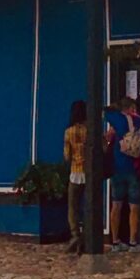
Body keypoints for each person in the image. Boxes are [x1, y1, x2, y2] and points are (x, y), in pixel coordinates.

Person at [105, 95, 140, 253]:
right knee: (134, 207)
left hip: (118, 168)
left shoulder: (121, 120)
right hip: (135, 170)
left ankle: (115, 241)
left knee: (116, 204)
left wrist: (119, 105)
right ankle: (133, 242)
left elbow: (106, 111)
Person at [63, 99, 87, 254]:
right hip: (89, 172)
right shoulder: (90, 130)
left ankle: (75, 235)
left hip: (75, 172)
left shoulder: (68, 132)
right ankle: (86, 236)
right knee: (89, 206)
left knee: (73, 207)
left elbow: (67, 156)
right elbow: (103, 147)